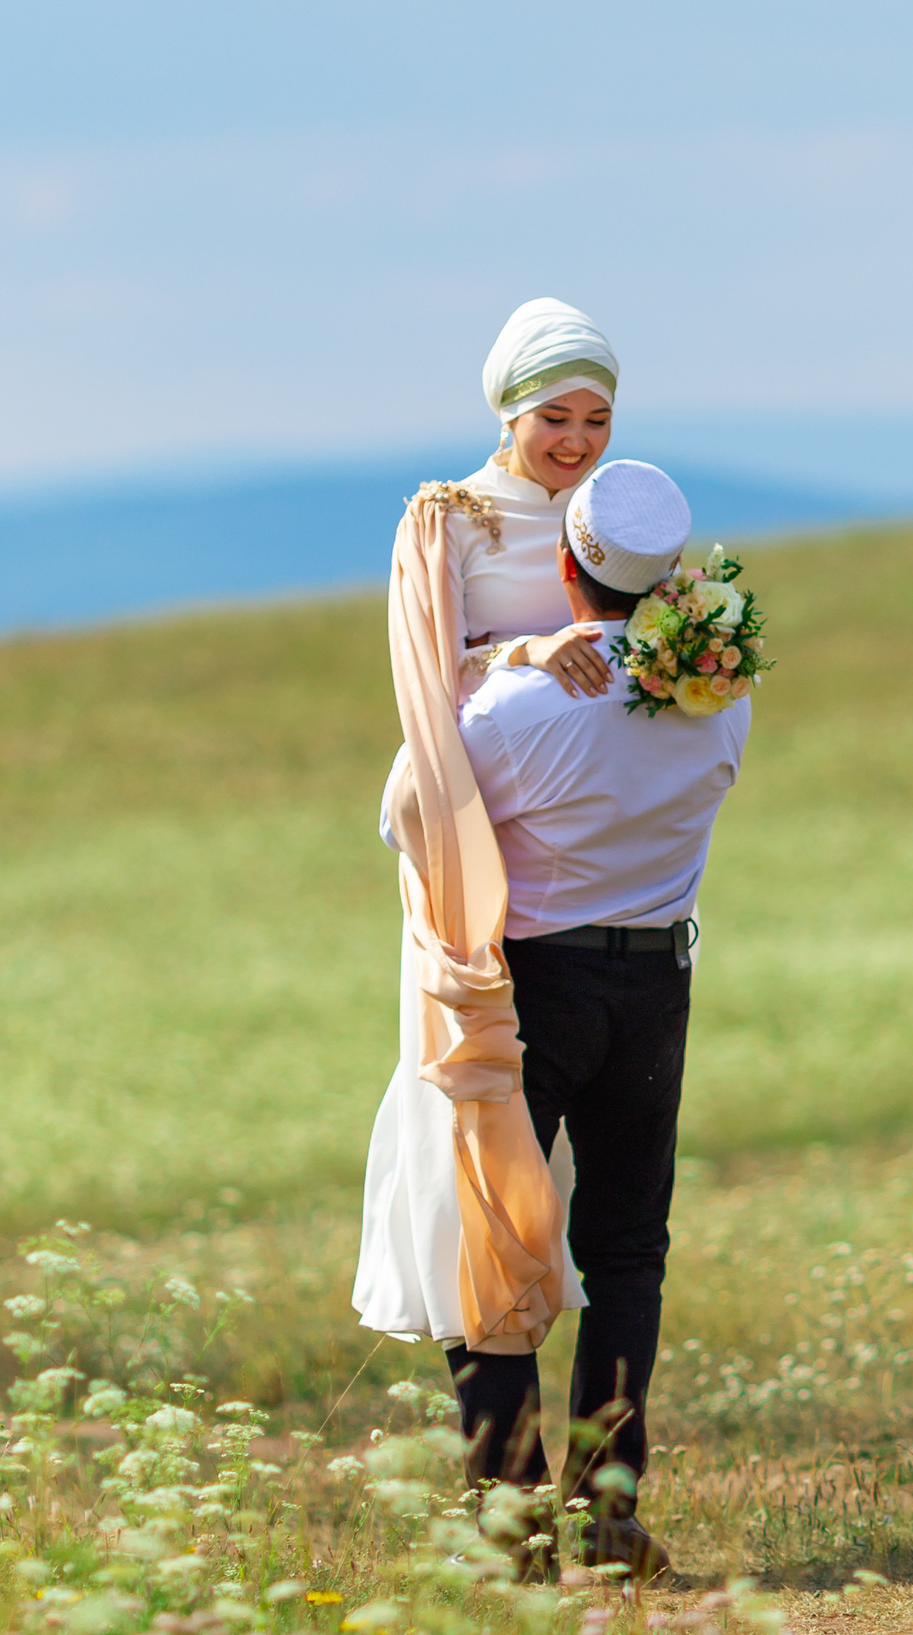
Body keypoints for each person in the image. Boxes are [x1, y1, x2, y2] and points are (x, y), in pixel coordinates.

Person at [388, 460, 750, 1581]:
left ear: (563, 564)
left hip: (534, 987)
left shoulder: (521, 703)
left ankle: (509, 1520)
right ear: (671, 582)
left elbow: (405, 816)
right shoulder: (718, 695)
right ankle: (610, 1508)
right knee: (627, 1249)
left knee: (483, 1231)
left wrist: (482, 662)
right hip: (656, 986)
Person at [354, 299, 631, 1368]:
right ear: (511, 411)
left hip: (579, 821)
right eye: (554, 417)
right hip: (466, 802)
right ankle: (480, 1303)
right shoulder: (447, 517)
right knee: (479, 1064)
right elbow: (423, 673)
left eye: (596, 420)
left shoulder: (609, 517)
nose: (574, 442)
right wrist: (524, 656)